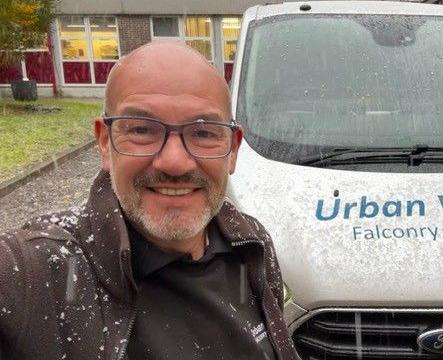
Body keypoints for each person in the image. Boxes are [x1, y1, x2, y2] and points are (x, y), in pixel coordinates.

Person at [0, 41, 300, 360]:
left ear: (232, 150)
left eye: (203, 133)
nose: (175, 162)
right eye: (142, 129)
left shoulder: (251, 245)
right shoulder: (34, 273)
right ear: (105, 143)